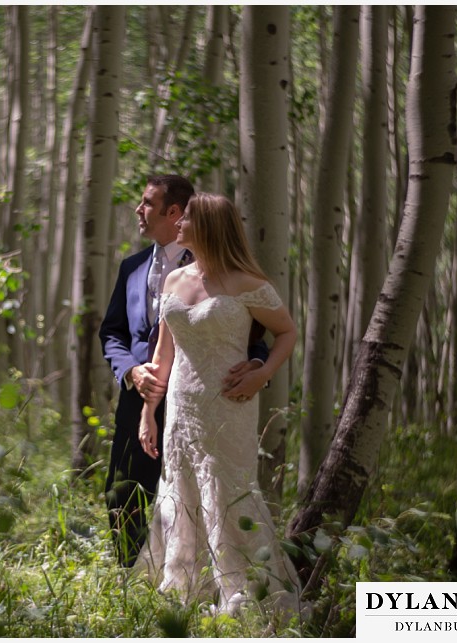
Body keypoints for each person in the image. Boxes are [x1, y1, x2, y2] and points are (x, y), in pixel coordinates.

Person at [135, 192, 301, 615]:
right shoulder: (174, 279)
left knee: (229, 493)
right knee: (180, 494)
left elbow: (286, 333)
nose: (179, 223)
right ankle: (184, 593)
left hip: (229, 404)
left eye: (186, 217)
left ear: (206, 224)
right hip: (180, 408)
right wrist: (147, 412)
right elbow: (162, 358)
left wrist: (263, 373)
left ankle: (247, 599)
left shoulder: (247, 283)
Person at [99, 175, 269, 568]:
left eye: (146, 203)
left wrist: (258, 366)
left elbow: (252, 334)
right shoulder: (131, 267)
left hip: (208, 400)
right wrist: (130, 371)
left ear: (172, 211)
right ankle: (132, 581)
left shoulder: (217, 263)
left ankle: (212, 578)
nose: (138, 210)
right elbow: (112, 332)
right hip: (140, 398)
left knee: (204, 495)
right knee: (123, 491)